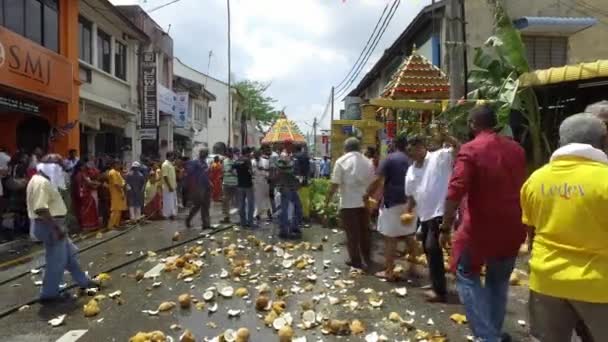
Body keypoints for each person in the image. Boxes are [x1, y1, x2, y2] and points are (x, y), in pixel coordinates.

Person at [440, 105, 526, 342]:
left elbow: (455, 191)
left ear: (472, 125)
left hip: (480, 228)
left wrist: (445, 227)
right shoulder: (516, 149)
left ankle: (488, 337)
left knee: (466, 273)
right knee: (498, 281)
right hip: (513, 227)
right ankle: (494, 333)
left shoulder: (471, 149)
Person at [520, 113, 608, 342]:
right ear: (603, 141)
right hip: (598, 286)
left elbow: (531, 234)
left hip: (546, 280)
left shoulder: (535, 180)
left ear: (560, 142)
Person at [27, 157, 98, 302]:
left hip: (52, 224)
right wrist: (57, 228)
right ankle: (49, 294)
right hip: (50, 226)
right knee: (56, 261)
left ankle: (84, 281)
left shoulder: (40, 179)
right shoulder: (42, 183)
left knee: (70, 255)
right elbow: (41, 209)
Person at [404, 132, 459, 303]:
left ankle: (440, 291)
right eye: (410, 150)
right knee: (428, 250)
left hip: (440, 211)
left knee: (432, 248)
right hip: (424, 214)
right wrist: (408, 211)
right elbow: (412, 194)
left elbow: (460, 149)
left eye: (415, 148)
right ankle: (436, 284)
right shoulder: (411, 170)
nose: (413, 153)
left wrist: (447, 136)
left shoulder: (439, 157)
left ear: (423, 147)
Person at [365, 132, 418, 280]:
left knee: (390, 238)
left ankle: (389, 271)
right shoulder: (412, 159)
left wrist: (367, 194)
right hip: (411, 202)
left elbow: (378, 180)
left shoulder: (389, 159)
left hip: (393, 202)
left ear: (394, 144)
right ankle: (413, 267)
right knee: (409, 235)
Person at [326, 138, 374, 270]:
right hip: (364, 202)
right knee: (365, 231)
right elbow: (372, 182)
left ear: (345, 148)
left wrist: (327, 200)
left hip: (348, 204)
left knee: (352, 234)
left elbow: (334, 184)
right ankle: (367, 257)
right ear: (359, 148)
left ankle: (356, 261)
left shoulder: (341, 161)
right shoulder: (368, 162)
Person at [274, 152, 303, 239]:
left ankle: (293, 227)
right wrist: (289, 160)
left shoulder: (290, 163)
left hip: (291, 188)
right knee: (285, 210)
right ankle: (284, 230)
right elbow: (287, 169)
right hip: (286, 189)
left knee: (297, 208)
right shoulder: (281, 164)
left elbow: (293, 172)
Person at [185, 148, 212, 229]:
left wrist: (209, 182)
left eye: (206, 153)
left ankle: (206, 224)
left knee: (206, 205)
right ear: (200, 153)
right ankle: (188, 219)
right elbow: (190, 174)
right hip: (198, 187)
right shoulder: (195, 162)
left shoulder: (205, 163)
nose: (205, 154)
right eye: (204, 152)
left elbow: (205, 174)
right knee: (197, 205)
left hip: (206, 186)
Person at [72, 161, 100, 230]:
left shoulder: (77, 175)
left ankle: (86, 225)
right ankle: (89, 225)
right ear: (81, 167)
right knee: (89, 208)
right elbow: (89, 182)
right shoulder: (82, 174)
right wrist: (98, 184)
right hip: (84, 193)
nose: (85, 167)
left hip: (80, 194)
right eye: (84, 166)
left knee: (84, 209)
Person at [234, 147, 255, 228]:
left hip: (240, 185)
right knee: (250, 205)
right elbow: (251, 171)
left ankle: (243, 223)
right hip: (248, 185)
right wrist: (251, 173)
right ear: (247, 152)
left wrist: (239, 175)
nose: (250, 154)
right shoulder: (247, 160)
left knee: (241, 205)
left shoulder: (238, 160)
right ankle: (250, 222)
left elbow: (232, 169)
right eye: (249, 152)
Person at [107, 160, 127, 229]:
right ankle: (111, 225)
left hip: (119, 192)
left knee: (119, 209)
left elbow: (122, 182)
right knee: (115, 209)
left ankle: (116, 223)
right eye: (118, 164)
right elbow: (116, 184)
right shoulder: (112, 172)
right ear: (114, 165)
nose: (119, 166)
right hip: (116, 192)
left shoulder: (117, 172)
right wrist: (121, 192)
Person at [252, 150, 271, 221]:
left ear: (259, 154)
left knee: (266, 198)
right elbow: (251, 172)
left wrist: (264, 170)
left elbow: (269, 170)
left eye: (257, 155)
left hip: (264, 181)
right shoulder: (252, 162)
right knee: (257, 199)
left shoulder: (265, 161)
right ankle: (257, 214)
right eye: (255, 155)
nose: (256, 156)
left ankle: (269, 213)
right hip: (256, 182)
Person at [221, 149, 238, 223]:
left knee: (238, 202)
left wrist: (232, 172)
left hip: (235, 184)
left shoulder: (236, 161)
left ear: (232, 153)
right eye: (228, 152)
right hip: (226, 184)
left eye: (230, 152)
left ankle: (241, 218)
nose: (229, 154)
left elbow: (238, 172)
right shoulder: (224, 161)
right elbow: (222, 171)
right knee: (225, 201)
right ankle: (226, 217)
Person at [161, 152, 178, 220]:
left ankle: (172, 214)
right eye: (172, 156)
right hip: (168, 187)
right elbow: (165, 176)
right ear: (169, 156)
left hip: (173, 186)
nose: (173, 158)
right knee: (168, 201)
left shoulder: (171, 164)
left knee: (173, 201)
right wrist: (169, 186)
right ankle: (167, 215)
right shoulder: (165, 165)